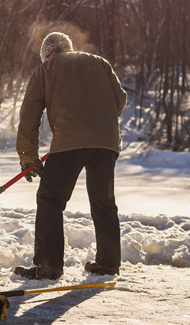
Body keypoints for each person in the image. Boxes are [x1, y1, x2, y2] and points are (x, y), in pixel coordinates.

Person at [13, 32, 127, 280]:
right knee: (103, 202)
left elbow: (30, 114)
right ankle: (108, 264)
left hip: (69, 143)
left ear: (47, 55)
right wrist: (97, 120)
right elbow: (120, 100)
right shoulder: (100, 63)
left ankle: (48, 265)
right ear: (68, 48)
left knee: (50, 199)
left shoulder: (46, 70)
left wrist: (28, 156)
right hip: (106, 144)